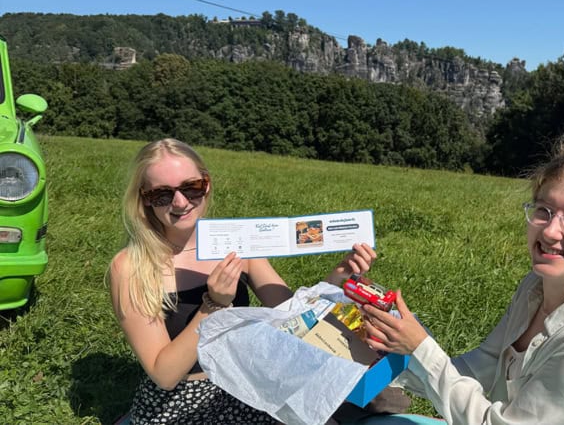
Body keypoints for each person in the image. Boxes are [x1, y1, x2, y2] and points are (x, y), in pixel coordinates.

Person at [363, 130, 564, 424]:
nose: (551, 231)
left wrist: (420, 347)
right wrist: (394, 358)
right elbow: (484, 365)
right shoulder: (535, 288)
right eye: (544, 210)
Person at [108, 138, 377, 424]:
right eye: (162, 194)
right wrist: (212, 306)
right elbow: (164, 374)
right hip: (179, 403)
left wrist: (338, 276)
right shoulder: (130, 267)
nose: (181, 202)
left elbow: (292, 317)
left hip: (246, 383)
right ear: (144, 198)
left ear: (207, 184)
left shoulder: (235, 243)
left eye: (191, 187)